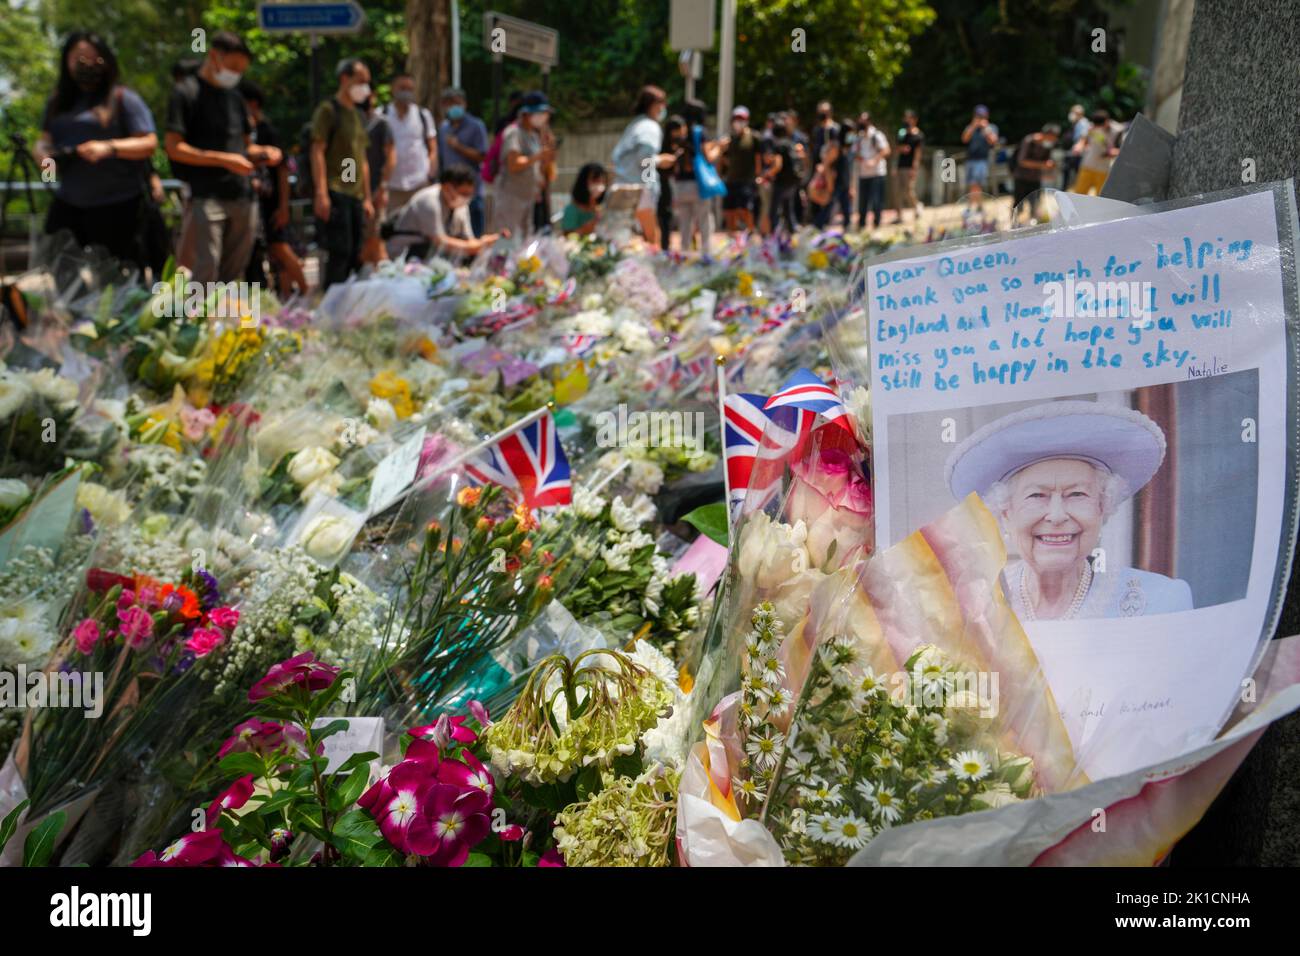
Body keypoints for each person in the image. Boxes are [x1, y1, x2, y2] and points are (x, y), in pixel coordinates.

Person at [946, 401, 1193, 620]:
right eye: (1037, 496)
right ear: (1006, 513)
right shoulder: (972, 609)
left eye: (1076, 494)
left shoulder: (1159, 603)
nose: (1057, 515)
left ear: (1102, 507)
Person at [36, 32, 158, 271]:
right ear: (66, 61)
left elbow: (149, 143)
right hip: (69, 201)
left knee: (116, 280)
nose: (87, 65)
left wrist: (108, 147)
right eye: (79, 59)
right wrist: (44, 156)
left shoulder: (124, 98)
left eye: (94, 58)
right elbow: (43, 141)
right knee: (60, 271)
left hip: (118, 205)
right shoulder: (58, 102)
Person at [166, 31, 280, 283]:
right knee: (203, 272)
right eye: (233, 66)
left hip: (242, 195)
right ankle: (196, 321)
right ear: (214, 56)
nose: (236, 74)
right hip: (205, 196)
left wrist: (264, 153)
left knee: (233, 276)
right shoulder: (185, 93)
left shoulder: (235, 98)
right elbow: (174, 148)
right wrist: (224, 160)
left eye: (242, 69)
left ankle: (226, 322)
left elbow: (245, 147)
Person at [310, 58, 374, 288]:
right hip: (335, 189)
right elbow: (317, 150)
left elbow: (362, 159)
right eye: (360, 81)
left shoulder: (358, 115)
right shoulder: (328, 111)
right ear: (344, 79)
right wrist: (321, 193)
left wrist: (367, 197)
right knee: (340, 251)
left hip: (355, 195)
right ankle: (330, 304)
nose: (365, 87)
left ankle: (348, 306)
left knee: (356, 253)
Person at [240, 79, 307, 296]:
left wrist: (284, 206)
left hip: (271, 205)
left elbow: (282, 170)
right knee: (272, 253)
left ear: (252, 103)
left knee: (280, 247)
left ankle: (306, 292)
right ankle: (286, 298)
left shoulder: (266, 131)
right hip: (253, 204)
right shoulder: (244, 132)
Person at [384, 166, 501, 261]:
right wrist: (473, 246)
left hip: (430, 253)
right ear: (447, 187)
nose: (466, 198)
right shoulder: (429, 201)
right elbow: (440, 241)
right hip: (405, 253)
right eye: (463, 193)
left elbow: (467, 239)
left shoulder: (461, 205)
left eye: (469, 195)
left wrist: (485, 241)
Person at [611, 84, 674, 246]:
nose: (663, 108)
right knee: (651, 236)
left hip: (622, 185)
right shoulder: (650, 128)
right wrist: (661, 160)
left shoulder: (634, 125)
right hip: (639, 189)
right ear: (652, 105)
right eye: (661, 103)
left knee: (622, 238)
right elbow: (644, 160)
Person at [492, 92, 555, 238]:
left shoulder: (533, 135)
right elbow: (513, 164)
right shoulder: (514, 133)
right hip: (511, 198)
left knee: (526, 244)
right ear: (526, 113)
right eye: (540, 113)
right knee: (507, 242)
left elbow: (536, 166)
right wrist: (538, 156)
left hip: (528, 197)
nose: (544, 117)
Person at [670, 99, 721, 255]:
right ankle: (706, 254)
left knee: (685, 223)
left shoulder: (680, 130)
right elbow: (708, 157)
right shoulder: (699, 132)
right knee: (704, 221)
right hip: (698, 184)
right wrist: (719, 147)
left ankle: (684, 254)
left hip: (680, 185)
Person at [436, 88, 488, 237]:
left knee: (474, 234)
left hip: (472, 192)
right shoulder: (443, 128)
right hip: (450, 193)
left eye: (457, 103)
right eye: (449, 103)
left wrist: (458, 147)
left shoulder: (476, 126)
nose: (453, 107)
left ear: (464, 104)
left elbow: (482, 156)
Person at [383, 74, 437, 213]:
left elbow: (432, 147)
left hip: (419, 182)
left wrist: (430, 173)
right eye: (402, 88)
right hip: (392, 185)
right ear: (393, 89)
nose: (406, 92)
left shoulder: (423, 115)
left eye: (410, 89)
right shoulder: (382, 116)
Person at [361, 92, 395, 263]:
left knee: (375, 235)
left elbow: (390, 157)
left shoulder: (382, 123)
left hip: (376, 189)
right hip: (355, 192)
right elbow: (349, 158)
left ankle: (378, 272)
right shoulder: (350, 122)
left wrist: (383, 186)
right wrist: (348, 185)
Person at [809, 101, 850, 229]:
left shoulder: (835, 130)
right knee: (829, 195)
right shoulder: (818, 131)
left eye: (825, 112)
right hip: (821, 169)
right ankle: (822, 223)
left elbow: (836, 152)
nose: (822, 115)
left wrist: (827, 166)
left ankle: (822, 223)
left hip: (834, 169)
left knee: (837, 194)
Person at [719, 106, 759, 233]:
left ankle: (751, 236)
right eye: (736, 119)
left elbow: (758, 158)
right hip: (731, 179)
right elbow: (723, 160)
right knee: (729, 210)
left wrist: (758, 176)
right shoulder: (729, 139)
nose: (738, 122)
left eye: (741, 119)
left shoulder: (754, 137)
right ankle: (733, 238)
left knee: (745, 209)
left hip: (747, 179)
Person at [760, 114, 800, 235]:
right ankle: (793, 236)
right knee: (788, 210)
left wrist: (766, 175)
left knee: (774, 211)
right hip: (792, 181)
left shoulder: (778, 145)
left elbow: (778, 165)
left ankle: (772, 237)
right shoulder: (790, 143)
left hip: (781, 182)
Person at [1011, 123, 1059, 221]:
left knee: (1035, 203)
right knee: (1018, 204)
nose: (1053, 140)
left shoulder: (1047, 145)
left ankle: (1033, 222)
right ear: (1047, 134)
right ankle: (1014, 223)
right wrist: (1043, 165)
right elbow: (1022, 161)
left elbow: (1047, 161)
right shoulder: (1029, 141)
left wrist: (1050, 168)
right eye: (1052, 138)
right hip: (1021, 177)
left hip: (1035, 178)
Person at [1072, 109, 1124, 196]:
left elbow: (1122, 150)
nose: (1097, 128)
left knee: (1100, 197)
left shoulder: (1118, 130)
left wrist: (1113, 152)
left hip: (1103, 169)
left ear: (1107, 122)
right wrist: (1079, 146)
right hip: (1087, 165)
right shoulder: (1092, 126)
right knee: (1079, 195)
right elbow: (1083, 140)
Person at [853, 110, 890, 231]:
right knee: (862, 201)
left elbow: (886, 150)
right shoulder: (858, 137)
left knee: (876, 201)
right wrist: (861, 158)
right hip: (864, 174)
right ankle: (862, 225)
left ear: (869, 121)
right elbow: (855, 153)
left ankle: (877, 224)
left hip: (877, 173)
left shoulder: (877, 135)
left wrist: (874, 160)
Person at [657, 116, 684, 250]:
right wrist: (674, 157)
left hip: (670, 183)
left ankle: (666, 244)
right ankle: (664, 245)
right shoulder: (661, 143)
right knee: (664, 215)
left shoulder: (678, 142)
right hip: (662, 183)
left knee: (668, 215)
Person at [961, 104, 999, 200]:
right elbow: (964, 139)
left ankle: (976, 207)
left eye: (982, 116)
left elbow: (994, 141)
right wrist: (973, 126)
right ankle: (976, 206)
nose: (980, 118)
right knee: (971, 184)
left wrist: (985, 128)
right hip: (970, 159)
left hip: (983, 160)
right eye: (978, 116)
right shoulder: (970, 127)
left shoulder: (991, 127)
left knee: (977, 184)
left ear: (987, 116)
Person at [893, 109, 923, 224]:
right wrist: (895, 166)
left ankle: (917, 207)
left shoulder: (918, 136)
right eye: (906, 118)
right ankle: (899, 216)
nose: (907, 120)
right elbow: (896, 148)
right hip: (900, 165)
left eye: (909, 118)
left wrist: (914, 169)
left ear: (915, 120)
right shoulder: (902, 133)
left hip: (910, 167)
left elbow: (918, 154)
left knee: (909, 191)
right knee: (897, 191)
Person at [561, 162, 607, 236]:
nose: (599, 186)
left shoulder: (600, 208)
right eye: (595, 181)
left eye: (602, 182)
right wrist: (592, 223)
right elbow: (567, 237)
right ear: (583, 182)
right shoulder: (572, 210)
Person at [1061, 104, 1088, 190]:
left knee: (1071, 172)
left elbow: (1083, 136)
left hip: (1076, 153)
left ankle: (1068, 190)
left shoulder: (1083, 123)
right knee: (1067, 172)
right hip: (1071, 152)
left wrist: (1079, 147)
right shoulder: (1075, 123)